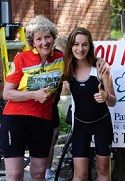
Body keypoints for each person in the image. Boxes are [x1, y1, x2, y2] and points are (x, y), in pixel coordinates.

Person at [0, 15, 63, 181]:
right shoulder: (22, 58)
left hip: (42, 120)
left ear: (53, 37)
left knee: (38, 174)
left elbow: (83, 61)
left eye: (48, 37)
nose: (44, 42)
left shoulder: (61, 59)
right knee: (14, 174)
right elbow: (7, 93)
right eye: (39, 39)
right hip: (15, 119)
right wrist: (34, 94)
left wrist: (98, 60)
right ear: (32, 42)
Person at [63, 27, 116, 181]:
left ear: (90, 46)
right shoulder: (67, 69)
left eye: (85, 44)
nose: (80, 49)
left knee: (103, 171)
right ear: (71, 46)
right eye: (76, 44)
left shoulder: (100, 68)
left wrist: (106, 96)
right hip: (80, 125)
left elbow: (113, 101)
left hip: (102, 124)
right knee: (80, 174)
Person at [45, 35, 68, 180]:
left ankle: (48, 170)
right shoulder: (47, 61)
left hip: (53, 106)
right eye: (58, 51)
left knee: (53, 138)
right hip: (38, 106)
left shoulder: (64, 64)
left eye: (64, 54)